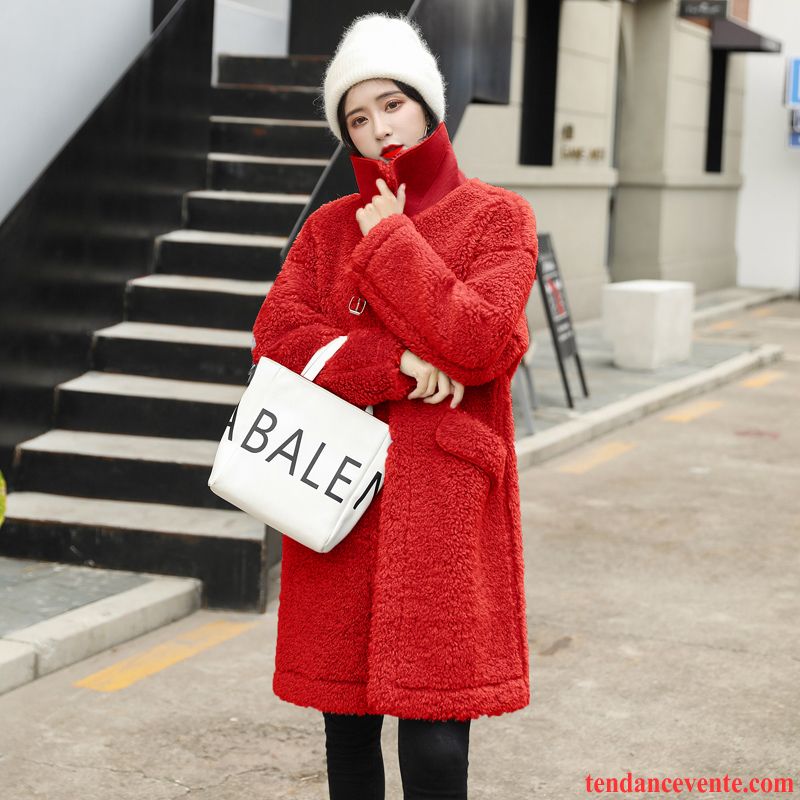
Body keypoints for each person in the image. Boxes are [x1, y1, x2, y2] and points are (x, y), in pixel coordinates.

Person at [250, 12, 539, 800]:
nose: (378, 129)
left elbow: (482, 341)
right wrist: (399, 364)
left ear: (428, 105)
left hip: (442, 510)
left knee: (438, 747)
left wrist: (391, 242)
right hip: (338, 502)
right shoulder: (326, 228)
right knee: (345, 737)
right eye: (357, 116)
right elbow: (277, 334)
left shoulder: (497, 216)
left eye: (391, 104)